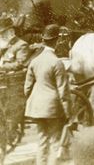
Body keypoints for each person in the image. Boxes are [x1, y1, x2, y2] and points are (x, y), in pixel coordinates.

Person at [24, 24, 71, 165]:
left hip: (36, 108)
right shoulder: (57, 63)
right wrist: (68, 112)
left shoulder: (34, 61)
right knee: (56, 142)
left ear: (44, 41)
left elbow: (27, 88)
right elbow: (63, 91)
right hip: (52, 108)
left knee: (42, 142)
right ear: (56, 41)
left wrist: (34, 101)